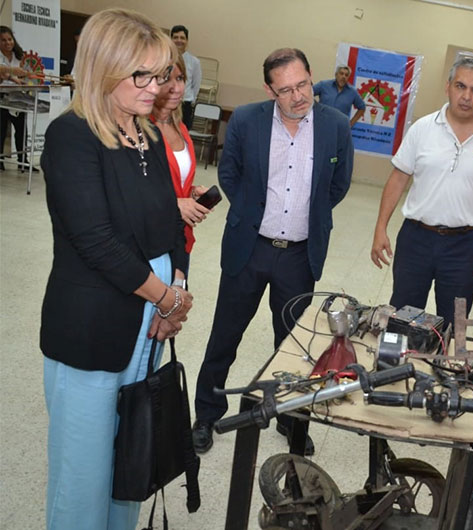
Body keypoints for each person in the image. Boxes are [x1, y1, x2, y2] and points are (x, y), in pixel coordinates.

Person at [39, 9, 192, 529]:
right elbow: (96, 242)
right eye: (143, 76)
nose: (158, 87)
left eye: (162, 74)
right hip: (94, 328)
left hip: (145, 325)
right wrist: (164, 297)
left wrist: (179, 286)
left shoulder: (146, 136)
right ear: (104, 68)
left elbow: (171, 224)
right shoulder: (72, 136)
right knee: (82, 472)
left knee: (128, 461)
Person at [192, 48, 353, 455]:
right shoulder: (248, 119)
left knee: (294, 347)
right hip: (250, 248)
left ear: (311, 78)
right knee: (224, 337)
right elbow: (228, 172)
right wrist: (252, 213)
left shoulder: (335, 125)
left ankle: (290, 417)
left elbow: (338, 185)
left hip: (300, 255)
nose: (298, 96)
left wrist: (306, 216)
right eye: (286, 90)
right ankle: (207, 415)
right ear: (270, 90)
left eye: (302, 85)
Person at [370, 57, 473, 327]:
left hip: (465, 245)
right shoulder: (422, 128)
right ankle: (395, 368)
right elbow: (398, 179)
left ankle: (447, 369)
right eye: (460, 86)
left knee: (455, 320)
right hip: (415, 239)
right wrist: (380, 228)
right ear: (448, 87)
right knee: (403, 316)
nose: (466, 96)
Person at [151, 54, 212, 274]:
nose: (176, 88)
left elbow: (177, 178)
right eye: (167, 79)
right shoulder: (138, 130)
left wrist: (192, 194)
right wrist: (175, 203)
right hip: (152, 237)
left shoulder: (181, 128)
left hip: (180, 236)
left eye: (180, 78)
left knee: (178, 301)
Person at [0, 25, 36, 172]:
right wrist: (11, 72)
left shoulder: (20, 56)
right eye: (3, 40)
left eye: (10, 39)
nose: (8, 43)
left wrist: (29, 77)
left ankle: (23, 160)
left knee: (22, 129)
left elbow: (29, 74)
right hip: (1, 96)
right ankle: (0, 160)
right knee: (1, 130)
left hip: (18, 97)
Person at [170, 25, 202, 129]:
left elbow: (196, 84)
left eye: (182, 38)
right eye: (175, 37)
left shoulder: (194, 62)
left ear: (187, 41)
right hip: (166, 102)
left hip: (184, 104)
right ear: (171, 39)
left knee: (182, 136)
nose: (179, 40)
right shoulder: (164, 58)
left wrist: (190, 100)